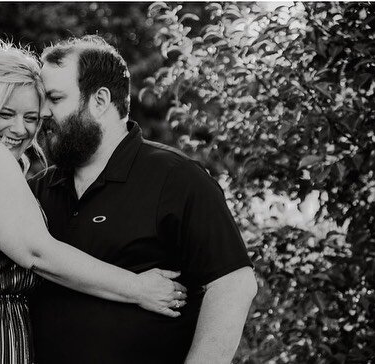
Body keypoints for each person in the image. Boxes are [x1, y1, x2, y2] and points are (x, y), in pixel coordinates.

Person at [0, 40, 187, 364]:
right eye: (6, 113)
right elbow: (38, 253)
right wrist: (139, 288)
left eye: (31, 117)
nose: (20, 129)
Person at [27, 35, 258, 364]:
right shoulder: (36, 190)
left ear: (100, 100)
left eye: (55, 98)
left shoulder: (177, 179)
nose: (42, 113)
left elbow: (233, 285)